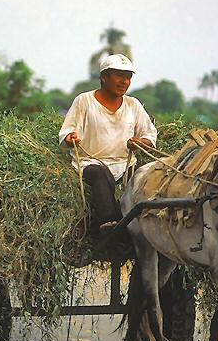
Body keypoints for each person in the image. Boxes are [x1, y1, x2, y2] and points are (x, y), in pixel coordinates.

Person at [59, 53, 158, 236]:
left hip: (126, 165)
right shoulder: (84, 101)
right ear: (104, 77)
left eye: (128, 77)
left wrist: (139, 143)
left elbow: (150, 136)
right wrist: (70, 138)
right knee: (100, 173)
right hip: (90, 164)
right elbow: (66, 132)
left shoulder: (133, 105)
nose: (124, 82)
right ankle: (110, 225)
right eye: (119, 76)